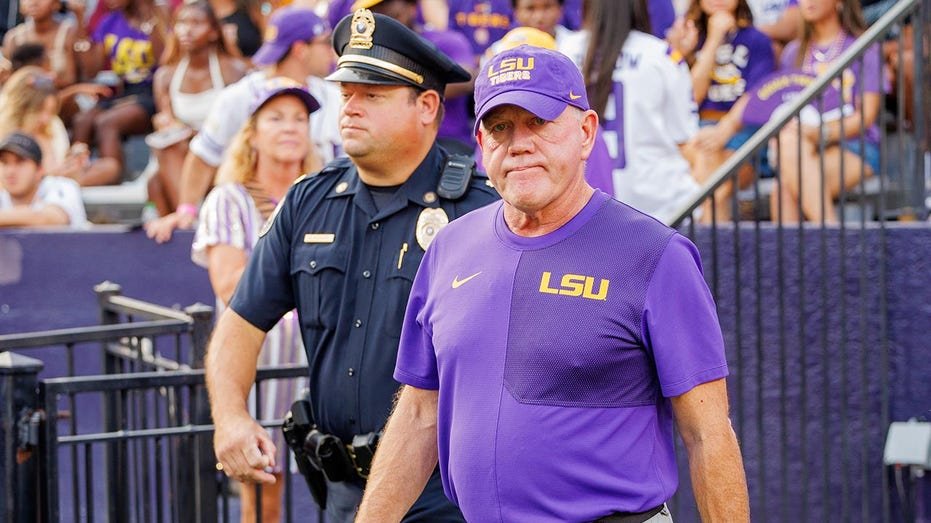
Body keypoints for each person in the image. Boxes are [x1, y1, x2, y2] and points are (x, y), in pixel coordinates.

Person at [356, 44, 750, 522]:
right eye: (500, 127)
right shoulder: (449, 247)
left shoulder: (655, 255)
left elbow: (707, 434)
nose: (519, 143)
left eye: (538, 122)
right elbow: (419, 413)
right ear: (481, 143)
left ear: (586, 133)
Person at [204, 9, 498, 523]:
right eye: (346, 93)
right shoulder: (309, 200)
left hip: (445, 494)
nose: (351, 108)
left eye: (373, 95)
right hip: (341, 485)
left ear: (427, 106)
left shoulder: (479, 212)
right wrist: (230, 417)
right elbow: (242, 321)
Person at [193, 84, 316, 523]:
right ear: (252, 134)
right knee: (264, 497)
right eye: (275, 118)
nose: (290, 128)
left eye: (299, 119)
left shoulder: (326, 198)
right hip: (263, 365)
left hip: (324, 365)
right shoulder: (228, 199)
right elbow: (230, 286)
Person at [145, 5, 340, 243]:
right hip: (254, 221)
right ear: (301, 50)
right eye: (325, 42)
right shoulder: (240, 95)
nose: (331, 51)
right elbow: (203, 155)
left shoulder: (334, 96)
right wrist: (186, 210)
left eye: (298, 118)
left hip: (321, 218)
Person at [560, 0, 700, 223]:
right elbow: (685, 138)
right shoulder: (662, 55)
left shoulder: (564, 50)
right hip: (660, 207)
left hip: (585, 206)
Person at [771, 0, 880, 223]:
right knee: (782, 188)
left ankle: (829, 234)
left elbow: (865, 118)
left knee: (784, 192)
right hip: (802, 145)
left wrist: (819, 132)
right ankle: (830, 235)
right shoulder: (793, 52)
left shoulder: (864, 47)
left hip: (855, 146)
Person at [674, 0, 774, 221]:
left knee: (709, 180)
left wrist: (723, 132)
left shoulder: (757, 40)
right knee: (708, 169)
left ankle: (696, 236)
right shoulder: (690, 40)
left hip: (741, 134)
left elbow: (757, 97)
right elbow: (691, 97)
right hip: (697, 132)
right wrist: (714, 39)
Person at [147, 0, 248, 216]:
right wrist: (165, 124)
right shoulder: (165, 76)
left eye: (196, 23)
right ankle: (189, 218)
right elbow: (166, 119)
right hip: (182, 152)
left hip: (222, 152)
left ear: (213, 32)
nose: (187, 30)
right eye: (182, 23)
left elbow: (243, 126)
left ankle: (188, 216)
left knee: (191, 153)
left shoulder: (234, 71)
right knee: (164, 160)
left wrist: (198, 135)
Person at [70, 0, 169, 186]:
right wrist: (80, 19)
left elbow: (166, 61)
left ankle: (111, 178)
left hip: (155, 92)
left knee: (107, 122)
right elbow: (92, 70)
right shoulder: (110, 22)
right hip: (125, 92)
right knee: (82, 121)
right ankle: (74, 176)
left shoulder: (159, 15)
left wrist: (153, 26)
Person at [0, 131, 87, 228]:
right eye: (4, 162)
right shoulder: (2, 196)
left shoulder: (61, 185)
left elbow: (53, 219)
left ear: (39, 170)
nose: (10, 171)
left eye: (20, 162)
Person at [2, 0, 80, 88]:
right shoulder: (13, 38)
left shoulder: (68, 33)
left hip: (60, 94)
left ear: (56, 4)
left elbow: (71, 79)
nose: (34, 2)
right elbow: (8, 78)